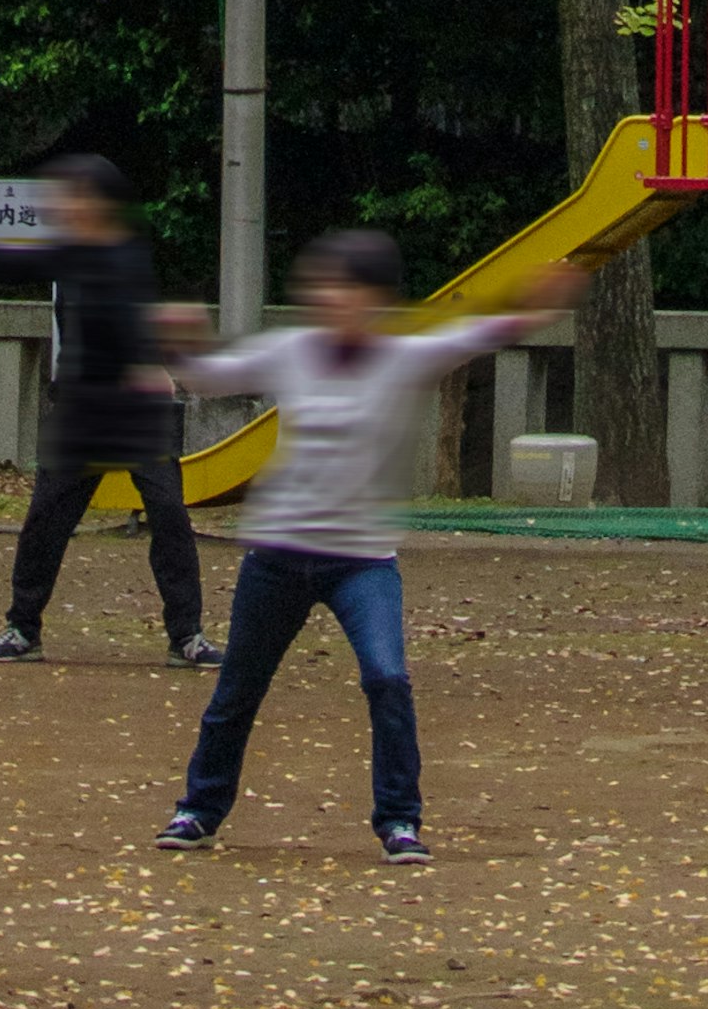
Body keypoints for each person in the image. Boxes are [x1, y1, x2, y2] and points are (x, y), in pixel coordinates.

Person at [148, 230, 576, 861]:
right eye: (323, 287)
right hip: (278, 555)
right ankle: (198, 810)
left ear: (374, 299)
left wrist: (536, 304)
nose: (330, 300)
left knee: (387, 677)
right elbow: (210, 377)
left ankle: (399, 820)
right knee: (238, 687)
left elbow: (476, 336)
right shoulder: (294, 349)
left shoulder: (400, 356)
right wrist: (178, 338)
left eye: (345, 288)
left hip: (362, 559)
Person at [0, 154, 215, 668]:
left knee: (169, 516)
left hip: (136, 408)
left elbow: (141, 321)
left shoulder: (131, 254)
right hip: (82, 407)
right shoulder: (65, 254)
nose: (70, 206)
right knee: (46, 519)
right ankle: (22, 628)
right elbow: (10, 267)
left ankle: (187, 636)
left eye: (80, 197)